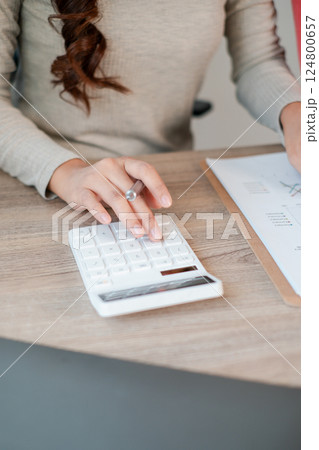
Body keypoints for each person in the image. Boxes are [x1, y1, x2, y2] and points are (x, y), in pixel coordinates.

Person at [0, 1, 301, 240]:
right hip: (43, 179)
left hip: (165, 181)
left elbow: (259, 60)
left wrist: (297, 111)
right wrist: (65, 171)